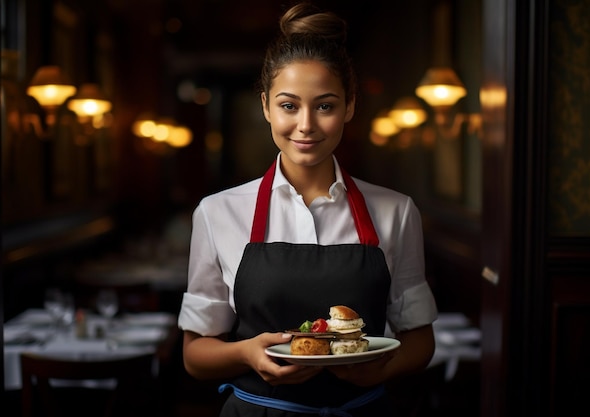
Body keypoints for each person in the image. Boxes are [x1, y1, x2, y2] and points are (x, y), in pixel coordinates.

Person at [178, 2, 438, 416]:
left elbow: (420, 341)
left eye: (325, 105)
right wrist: (248, 355)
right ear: (265, 106)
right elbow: (195, 354)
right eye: (288, 105)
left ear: (349, 106)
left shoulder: (397, 211)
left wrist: (381, 371)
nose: (305, 125)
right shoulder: (216, 212)